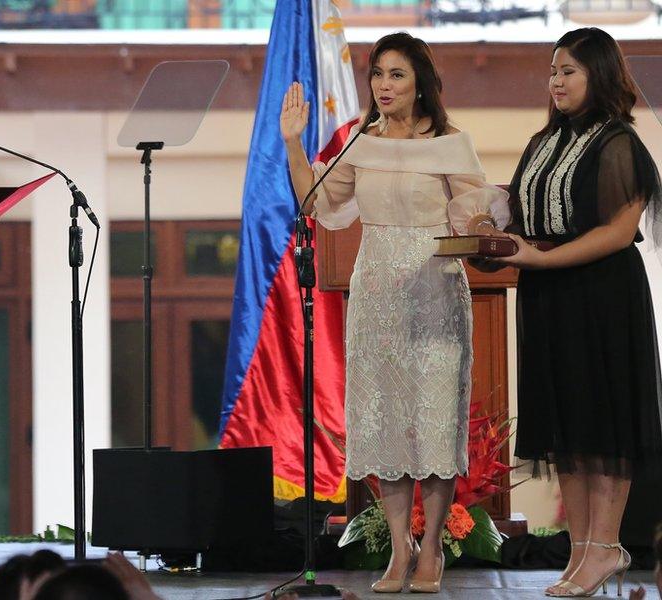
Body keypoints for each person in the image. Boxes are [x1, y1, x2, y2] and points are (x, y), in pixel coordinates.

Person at [281, 32, 509, 594]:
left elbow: (472, 208)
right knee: (383, 421)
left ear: (421, 83)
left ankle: (430, 548)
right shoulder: (361, 142)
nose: (384, 85)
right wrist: (292, 143)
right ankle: (398, 550)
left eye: (397, 75)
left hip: (434, 285)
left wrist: (481, 224)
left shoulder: (453, 143)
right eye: (378, 74)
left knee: (431, 420)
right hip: (377, 286)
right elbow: (318, 203)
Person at [482, 27, 662, 597]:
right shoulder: (543, 142)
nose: (555, 81)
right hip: (550, 297)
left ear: (600, 75)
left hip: (601, 296)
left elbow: (617, 232)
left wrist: (542, 256)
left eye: (569, 71)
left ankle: (605, 546)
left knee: (602, 426)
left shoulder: (619, 142)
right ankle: (582, 550)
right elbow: (525, 217)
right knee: (568, 428)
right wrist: (491, 231)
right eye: (553, 70)